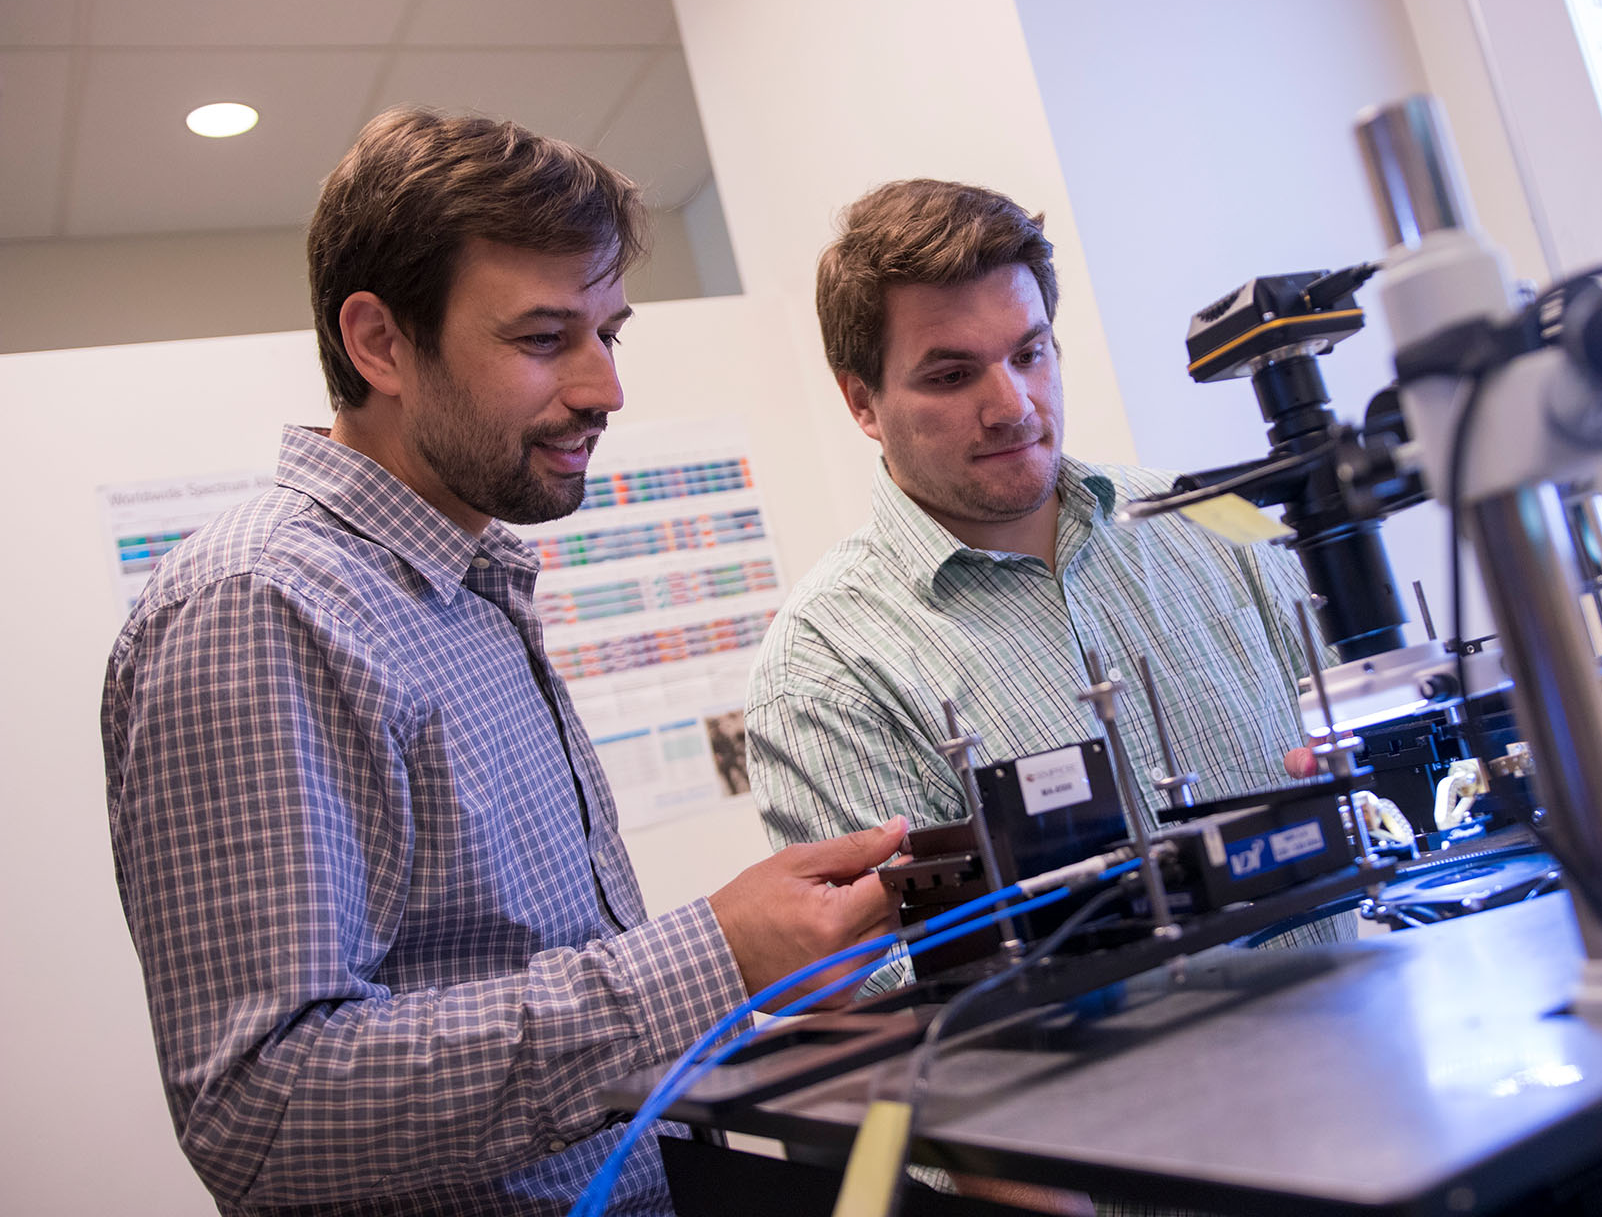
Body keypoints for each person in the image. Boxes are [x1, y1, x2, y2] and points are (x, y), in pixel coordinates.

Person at [101, 108, 905, 1217]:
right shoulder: (263, 604)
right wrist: (712, 956)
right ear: (380, 342)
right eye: (542, 338)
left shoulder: (468, 582)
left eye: (608, 333)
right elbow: (264, 1110)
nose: (603, 388)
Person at [744, 179, 1352, 952]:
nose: (1014, 406)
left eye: (1029, 354)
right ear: (862, 401)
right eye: (952, 375)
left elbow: (1371, 733)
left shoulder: (1209, 515)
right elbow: (895, 979)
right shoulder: (823, 671)